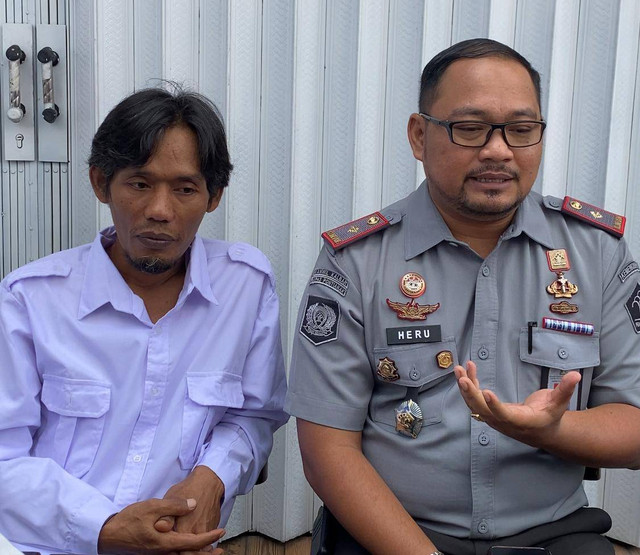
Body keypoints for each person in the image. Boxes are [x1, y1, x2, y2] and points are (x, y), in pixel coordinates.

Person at [286, 38, 640, 555]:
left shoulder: (596, 254)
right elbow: (327, 451)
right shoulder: (356, 262)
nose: (498, 150)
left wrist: (549, 430)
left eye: (521, 130)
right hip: (396, 534)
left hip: (552, 535)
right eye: (470, 128)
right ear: (418, 134)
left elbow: (632, 426)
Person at [0, 87, 288, 554]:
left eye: (185, 188)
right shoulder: (29, 300)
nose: (159, 210)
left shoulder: (245, 285)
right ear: (100, 183)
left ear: (213, 197)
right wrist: (106, 527)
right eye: (139, 183)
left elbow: (254, 416)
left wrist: (212, 477)